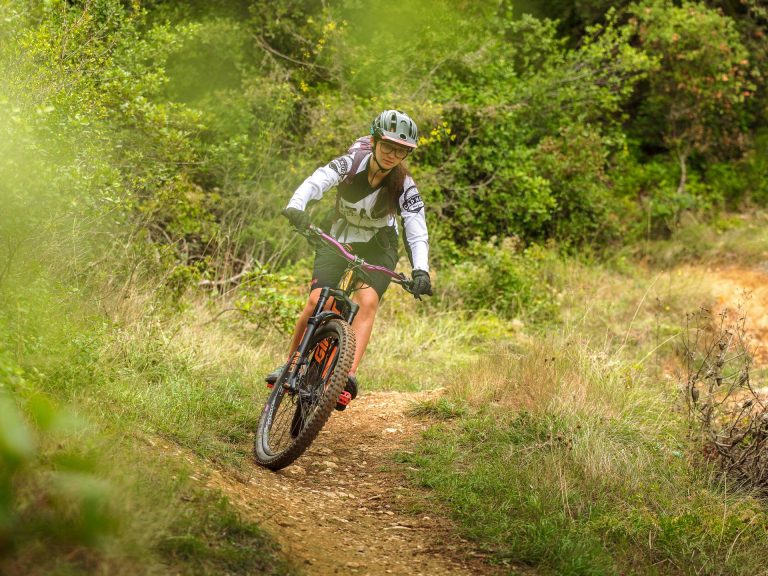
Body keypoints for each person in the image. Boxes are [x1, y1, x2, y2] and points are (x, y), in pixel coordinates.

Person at [266, 109, 432, 410]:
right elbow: (319, 180)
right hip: (339, 237)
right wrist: (296, 206)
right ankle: (290, 365)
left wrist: (421, 269)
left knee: (367, 301)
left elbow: (416, 227)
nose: (394, 154)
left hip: (379, 244)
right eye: (388, 146)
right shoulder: (351, 162)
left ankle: (345, 376)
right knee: (319, 300)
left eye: (402, 150)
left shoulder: (404, 184)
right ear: (375, 140)